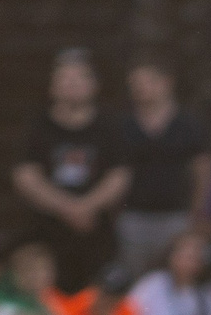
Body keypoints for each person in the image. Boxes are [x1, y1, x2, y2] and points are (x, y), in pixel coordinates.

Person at [15, 52, 130, 292]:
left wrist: (87, 207)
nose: (72, 85)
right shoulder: (38, 126)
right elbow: (26, 175)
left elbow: (119, 175)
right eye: (65, 79)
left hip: (96, 230)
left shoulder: (109, 126)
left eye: (79, 78)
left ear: (93, 85)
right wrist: (67, 208)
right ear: (53, 87)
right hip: (48, 230)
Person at [116, 61, 211, 280]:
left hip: (177, 215)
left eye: (148, 82)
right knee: (135, 280)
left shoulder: (188, 124)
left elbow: (203, 171)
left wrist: (200, 211)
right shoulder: (124, 126)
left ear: (167, 82)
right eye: (136, 84)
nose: (142, 88)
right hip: (134, 216)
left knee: (176, 277)